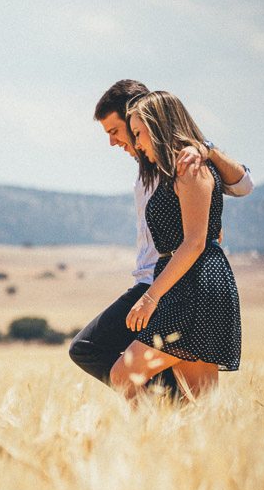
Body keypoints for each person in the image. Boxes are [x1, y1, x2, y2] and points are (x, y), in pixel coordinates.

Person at [69, 80, 252, 396]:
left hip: (177, 284)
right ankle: (178, 428)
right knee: (202, 400)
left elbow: (242, 187)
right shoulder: (151, 168)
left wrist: (204, 148)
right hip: (165, 282)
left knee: (93, 352)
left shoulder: (188, 163)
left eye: (118, 131)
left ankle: (162, 417)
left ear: (142, 120)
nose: (117, 142)